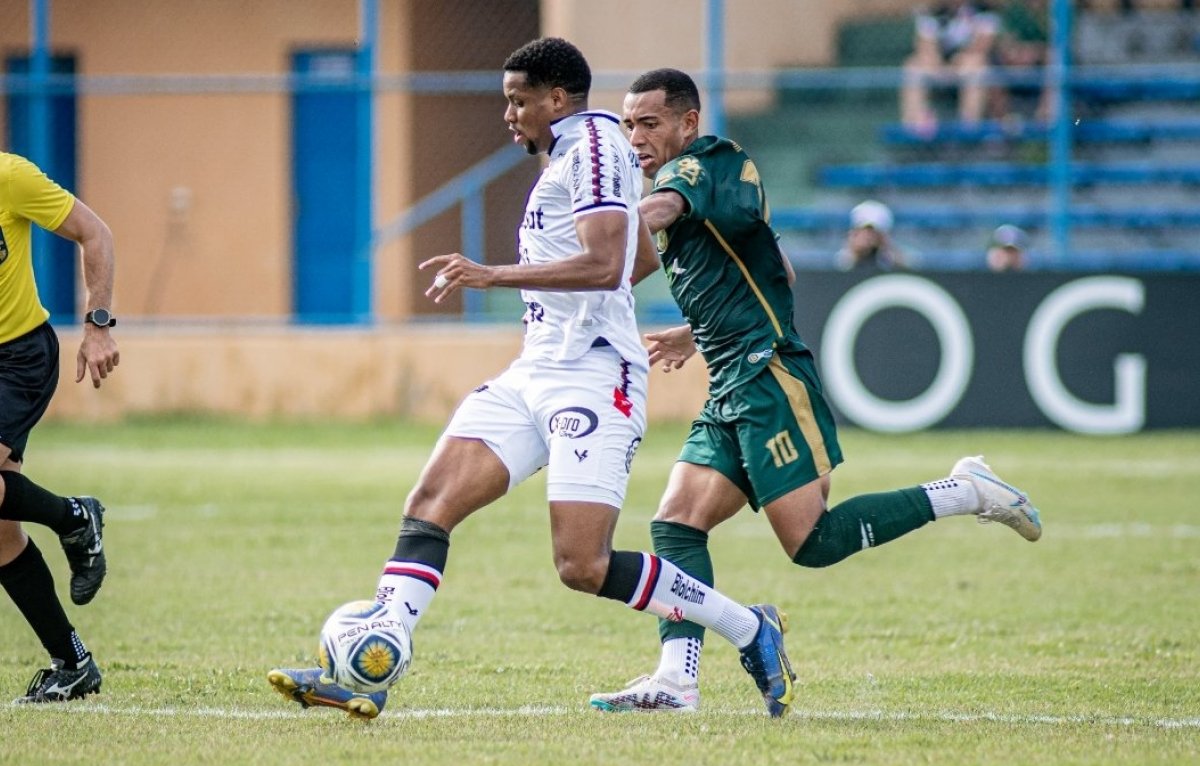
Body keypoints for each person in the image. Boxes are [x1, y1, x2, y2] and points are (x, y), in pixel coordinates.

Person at [268, 37, 795, 720]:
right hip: (536, 370)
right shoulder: (567, 158)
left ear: (555, 98)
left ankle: (751, 629)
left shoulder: (598, 146)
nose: (509, 115)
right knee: (431, 500)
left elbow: (607, 263)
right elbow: (623, 266)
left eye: (518, 101)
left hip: (592, 377)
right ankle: (375, 657)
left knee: (583, 565)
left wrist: (492, 275)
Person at [587, 68, 1042, 713]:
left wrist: (600, 221)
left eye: (650, 123)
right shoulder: (702, 186)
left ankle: (965, 490)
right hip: (730, 379)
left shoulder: (704, 165)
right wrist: (698, 329)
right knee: (677, 523)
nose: (636, 136)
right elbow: (783, 267)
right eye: (629, 124)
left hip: (768, 376)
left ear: (688, 123)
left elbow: (659, 211)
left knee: (812, 543)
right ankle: (676, 680)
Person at [0, 151, 117, 703]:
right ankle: (72, 664)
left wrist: (97, 327)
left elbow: (96, 235)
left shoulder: (9, 176)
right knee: (0, 533)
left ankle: (75, 516)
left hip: (19, 357)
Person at [901, 0, 1001, 135]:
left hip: (966, 64)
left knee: (976, 64)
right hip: (939, 67)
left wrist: (956, 63)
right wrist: (939, 66)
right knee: (912, 66)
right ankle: (914, 126)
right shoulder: (931, 12)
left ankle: (968, 127)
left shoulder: (984, 11)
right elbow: (925, 46)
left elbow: (982, 45)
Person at [835, 199, 910, 272]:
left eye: (874, 232)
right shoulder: (845, 256)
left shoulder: (888, 256)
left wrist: (887, 247)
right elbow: (840, 269)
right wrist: (855, 251)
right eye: (865, 230)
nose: (870, 236)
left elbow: (910, 271)